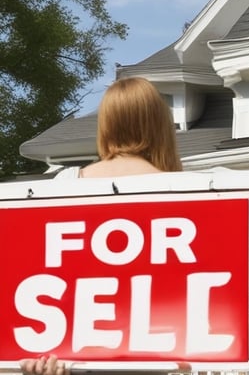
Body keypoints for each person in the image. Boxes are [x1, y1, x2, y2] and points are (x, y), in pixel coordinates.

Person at [20, 77, 182, 375]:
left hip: (73, 358)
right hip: (151, 359)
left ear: (106, 124)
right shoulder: (185, 192)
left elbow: (40, 272)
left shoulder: (65, 185)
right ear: (160, 125)